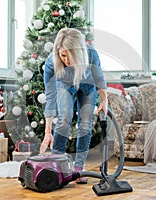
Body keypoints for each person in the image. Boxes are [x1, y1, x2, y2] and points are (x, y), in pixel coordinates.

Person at [40, 28, 108, 184]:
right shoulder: (52, 62)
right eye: (63, 55)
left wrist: (104, 100)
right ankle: (57, 166)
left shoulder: (90, 54)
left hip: (88, 85)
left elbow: (99, 79)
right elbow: (50, 97)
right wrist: (47, 131)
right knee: (64, 117)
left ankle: (78, 168)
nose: (67, 60)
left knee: (85, 124)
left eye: (71, 56)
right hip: (65, 83)